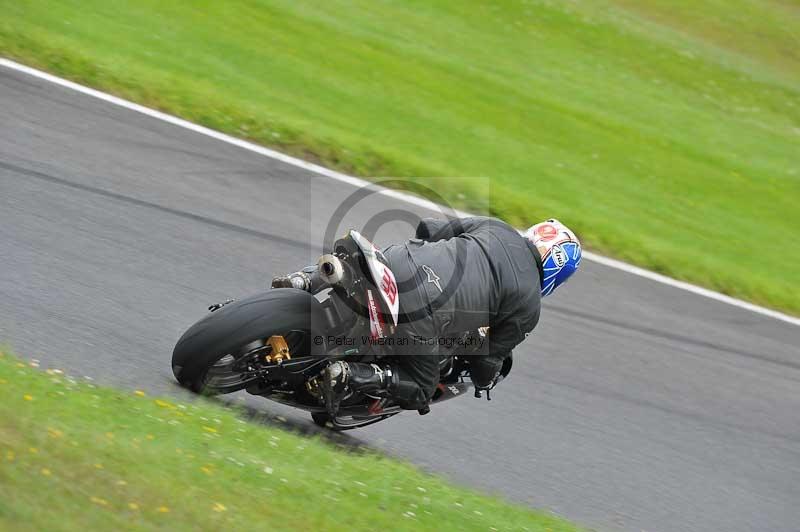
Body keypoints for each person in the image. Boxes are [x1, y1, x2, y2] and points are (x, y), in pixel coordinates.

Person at [274, 217, 581, 416]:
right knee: (422, 387)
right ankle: (348, 373)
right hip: (422, 313)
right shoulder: (528, 305)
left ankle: (304, 280)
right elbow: (487, 359)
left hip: (396, 263)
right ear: (559, 274)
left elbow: (430, 228)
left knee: (351, 266)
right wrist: (485, 381)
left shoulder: (495, 227)